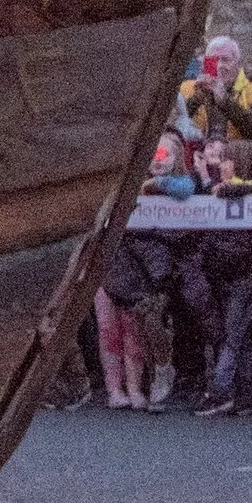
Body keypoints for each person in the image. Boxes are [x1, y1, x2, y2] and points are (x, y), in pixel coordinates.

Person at [99, 136, 191, 409]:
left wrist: (154, 184)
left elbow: (185, 188)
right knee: (117, 327)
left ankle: (157, 377)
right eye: (154, 152)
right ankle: (121, 388)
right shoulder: (130, 180)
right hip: (124, 262)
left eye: (165, 153)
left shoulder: (176, 182)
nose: (158, 158)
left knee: (149, 326)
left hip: (159, 269)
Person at [188, 140, 252, 416]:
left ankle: (219, 390)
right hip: (219, 272)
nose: (222, 164)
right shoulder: (215, 192)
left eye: (227, 159)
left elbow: (249, 188)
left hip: (243, 274)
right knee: (237, 336)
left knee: (233, 334)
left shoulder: (251, 191)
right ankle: (250, 393)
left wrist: (227, 188)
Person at [180, 37, 252, 148]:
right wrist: (198, 97)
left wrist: (224, 101)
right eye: (214, 60)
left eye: (225, 60)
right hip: (195, 154)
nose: (220, 65)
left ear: (237, 63)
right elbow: (174, 123)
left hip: (234, 156)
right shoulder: (186, 88)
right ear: (205, 63)